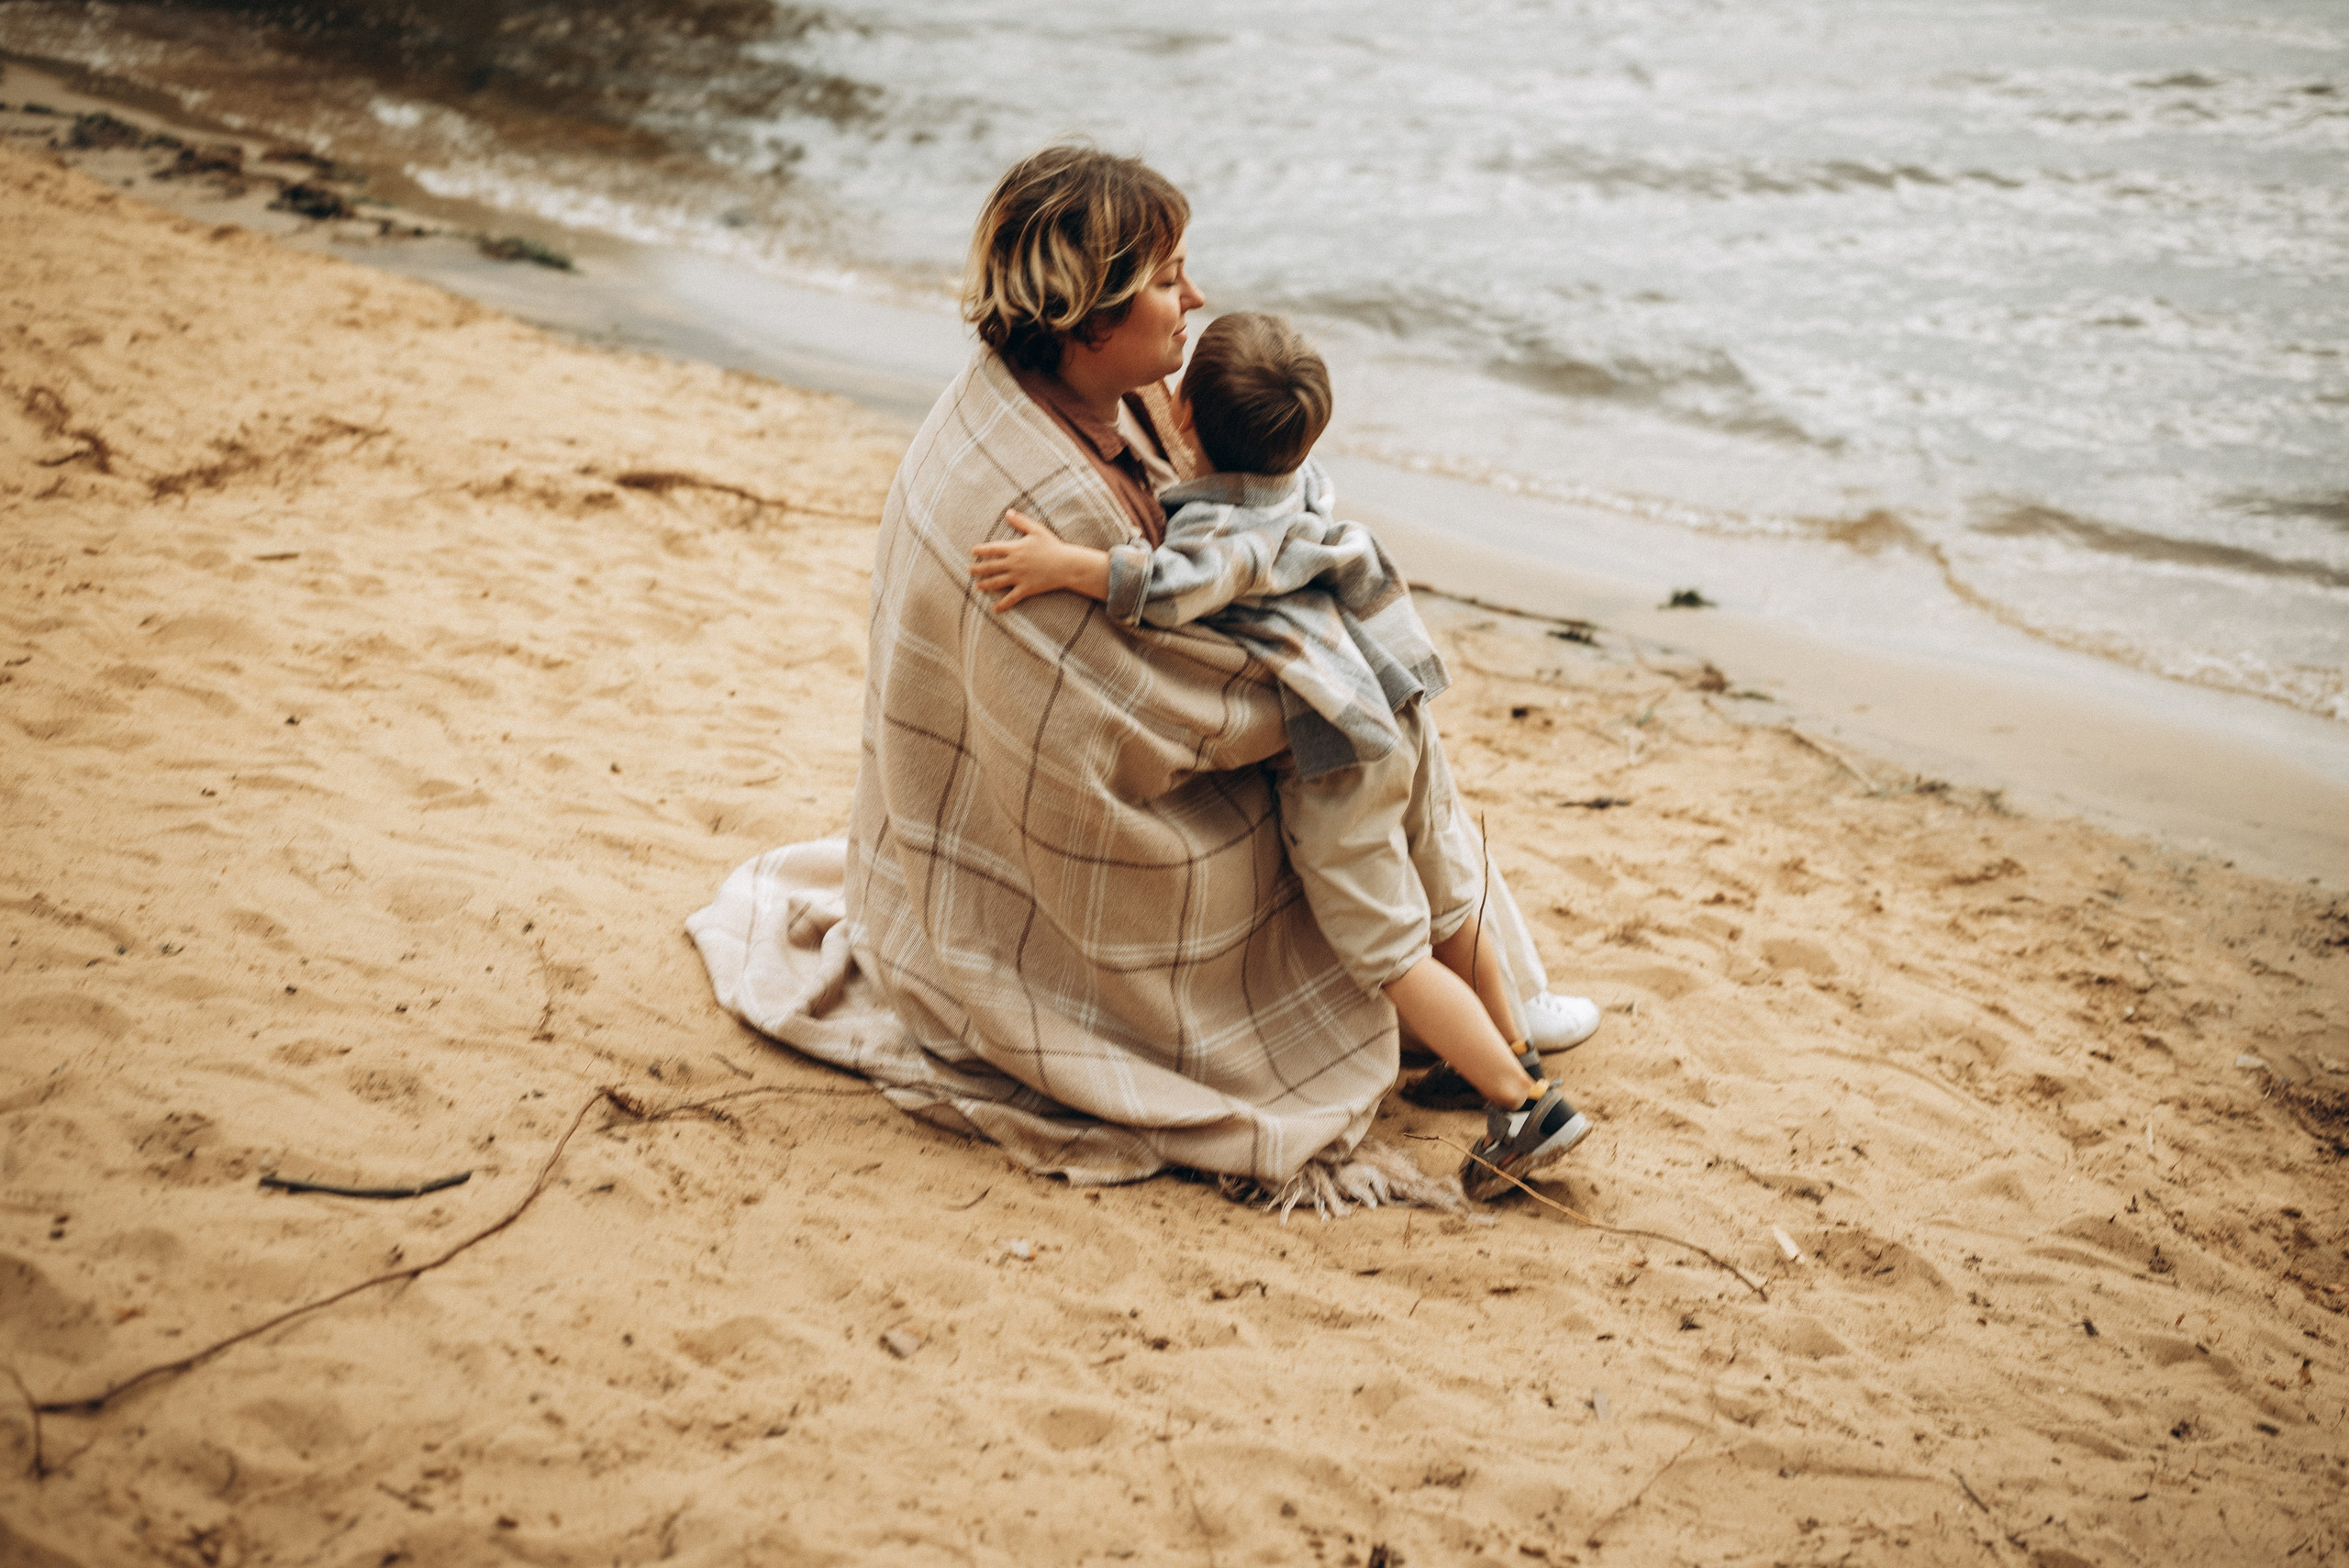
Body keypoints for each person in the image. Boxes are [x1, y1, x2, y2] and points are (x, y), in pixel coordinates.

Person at [691, 145, 1595, 1210]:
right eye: (1169, 278)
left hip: (1303, 738)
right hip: (1227, 794)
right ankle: (1498, 1061)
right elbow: (1122, 708)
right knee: (1390, 840)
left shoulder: (1118, 408)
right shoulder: (1032, 486)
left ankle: (1492, 1043)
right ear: (1089, 322)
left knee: (1396, 831)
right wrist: (1296, 685)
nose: (1196, 297)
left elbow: (1175, 593)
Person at [969, 311, 1587, 1197]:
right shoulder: (1304, 484)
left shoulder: (1220, 530)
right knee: (1452, 900)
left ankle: (1522, 1101)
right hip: (1404, 708)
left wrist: (1072, 565)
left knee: (1390, 952)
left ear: (1181, 418)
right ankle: (1511, 1044)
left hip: (1340, 750)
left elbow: (1180, 590)